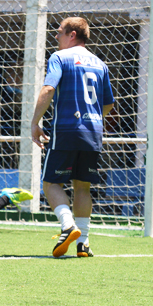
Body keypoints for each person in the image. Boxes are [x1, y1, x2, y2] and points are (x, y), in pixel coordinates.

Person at [31, 17, 115, 258]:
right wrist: (92, 117)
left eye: (59, 32)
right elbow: (108, 103)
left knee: (50, 183)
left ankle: (68, 226)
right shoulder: (100, 64)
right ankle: (84, 243)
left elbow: (48, 89)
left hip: (67, 130)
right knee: (82, 186)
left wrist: (34, 122)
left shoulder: (60, 58)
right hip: (93, 132)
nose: (56, 37)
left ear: (72, 35)